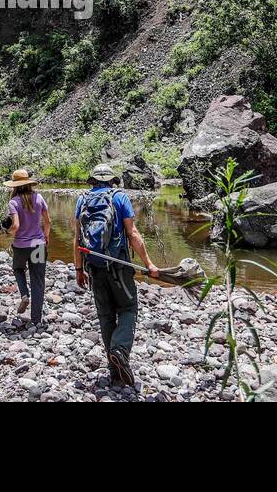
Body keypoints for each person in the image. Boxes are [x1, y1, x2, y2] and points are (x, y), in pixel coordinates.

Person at [73, 163, 158, 386]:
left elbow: (77, 239)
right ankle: (119, 350)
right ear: (112, 180)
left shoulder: (82, 199)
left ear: (92, 180)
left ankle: (114, 371)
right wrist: (149, 264)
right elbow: (133, 233)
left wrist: (79, 269)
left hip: (94, 267)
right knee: (129, 308)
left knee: (106, 316)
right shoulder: (120, 197)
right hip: (119, 266)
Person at [4, 169, 50, 327]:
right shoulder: (39, 198)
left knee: (18, 269)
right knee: (38, 281)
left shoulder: (14, 202)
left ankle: (24, 294)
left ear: (15, 186)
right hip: (38, 245)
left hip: (21, 246)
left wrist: (6, 231)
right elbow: (48, 222)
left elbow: (15, 225)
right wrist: (46, 237)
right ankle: (36, 319)